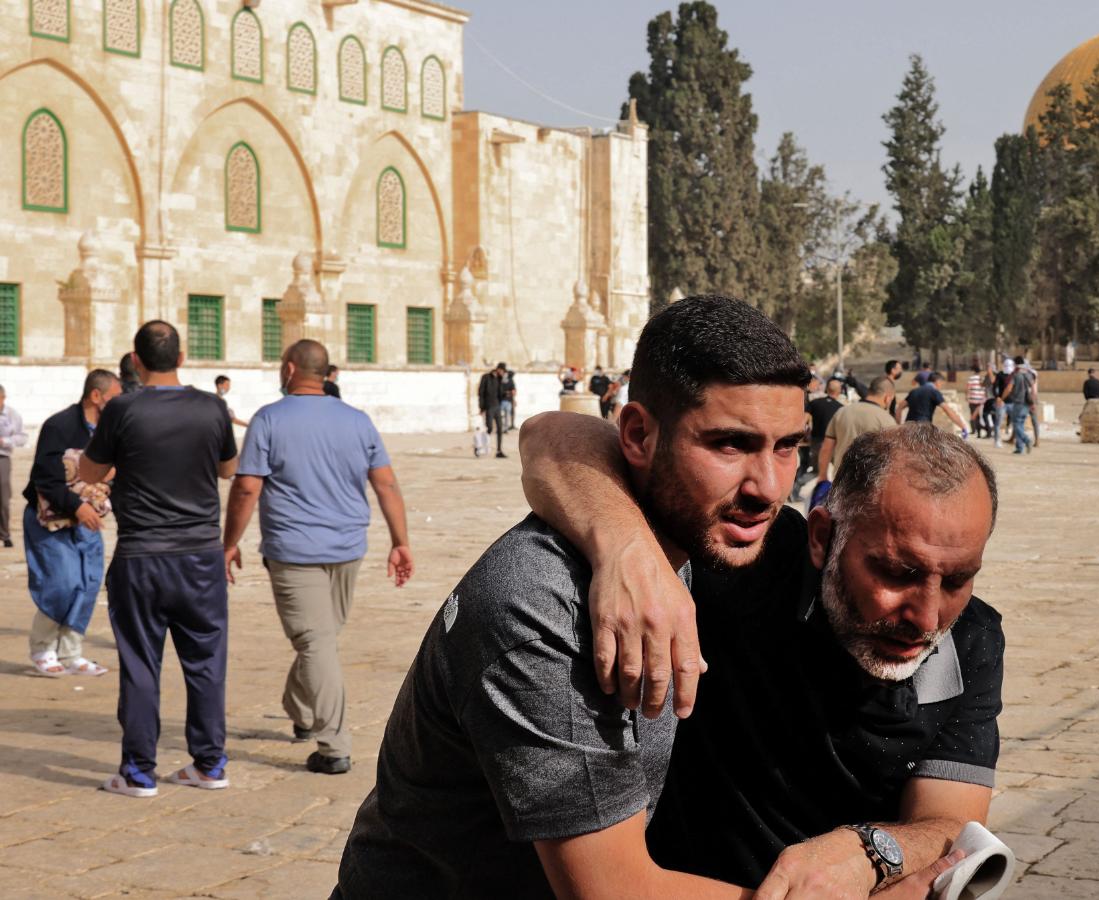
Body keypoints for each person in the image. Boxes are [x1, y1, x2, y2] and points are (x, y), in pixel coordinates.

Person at [337, 296, 963, 898]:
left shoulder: (705, 541)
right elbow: (611, 891)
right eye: (729, 444)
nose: (770, 488)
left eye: (787, 446)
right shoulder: (540, 604)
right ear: (637, 435)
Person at [518, 418, 1002, 895]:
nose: (927, 615)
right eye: (898, 573)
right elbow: (550, 437)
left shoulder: (970, 639)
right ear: (821, 537)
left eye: (958, 580)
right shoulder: (747, 564)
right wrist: (627, 550)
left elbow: (953, 825)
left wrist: (867, 853)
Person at [222, 340, 413, 775]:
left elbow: (247, 487)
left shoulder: (269, 419)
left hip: (294, 549)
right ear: (326, 373)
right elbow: (386, 484)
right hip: (347, 548)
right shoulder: (357, 421)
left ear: (289, 369)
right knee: (318, 639)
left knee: (316, 641)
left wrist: (229, 541)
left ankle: (332, 746)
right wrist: (400, 540)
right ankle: (305, 713)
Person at [79, 321, 238, 798]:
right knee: (207, 662)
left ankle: (139, 772)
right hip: (200, 555)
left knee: (141, 664)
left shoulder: (122, 409)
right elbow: (228, 468)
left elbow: (89, 469)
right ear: (183, 357)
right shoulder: (212, 407)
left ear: (136, 360)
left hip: (143, 554)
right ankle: (209, 764)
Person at [22, 370, 119, 677]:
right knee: (62, 584)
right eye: (114, 398)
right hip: (53, 520)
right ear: (96, 396)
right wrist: (78, 507)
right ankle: (43, 648)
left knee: (89, 584)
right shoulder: (59, 425)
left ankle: (72, 651)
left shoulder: (109, 431)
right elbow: (45, 478)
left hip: (88, 522)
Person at [815, 375, 897, 487]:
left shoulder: (842, 412)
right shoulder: (887, 420)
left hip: (841, 482)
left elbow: (826, 448)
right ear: (887, 397)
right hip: (871, 484)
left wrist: (822, 476)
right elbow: (893, 457)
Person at [794, 377, 844, 502]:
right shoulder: (841, 408)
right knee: (840, 471)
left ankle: (795, 488)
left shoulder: (815, 403)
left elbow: (803, 421)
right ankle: (840, 498)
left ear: (827, 389)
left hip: (816, 443)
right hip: (833, 444)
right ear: (839, 391)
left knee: (817, 470)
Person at [901, 372, 968, 437]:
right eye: (941, 383)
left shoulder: (914, 391)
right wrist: (963, 427)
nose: (941, 386)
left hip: (907, 427)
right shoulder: (934, 392)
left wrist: (899, 425)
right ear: (937, 381)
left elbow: (899, 408)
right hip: (922, 427)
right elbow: (948, 410)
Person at [0, 384, 26, 548]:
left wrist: (5, 441)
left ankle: (4, 533)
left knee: (3, 497)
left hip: (3, 456)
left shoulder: (12, 415)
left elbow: (22, 437)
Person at [1001, 355, 1036, 454]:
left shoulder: (1016, 375)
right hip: (1027, 403)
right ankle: (1019, 448)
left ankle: (1026, 440)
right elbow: (1033, 388)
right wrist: (1033, 402)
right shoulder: (1028, 374)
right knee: (1020, 424)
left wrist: (1002, 398)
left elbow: (1009, 388)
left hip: (1018, 403)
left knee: (1016, 424)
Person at [477, 363, 511, 458]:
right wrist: (481, 407)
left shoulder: (500, 379)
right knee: (489, 428)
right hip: (488, 407)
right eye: (503, 371)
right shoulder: (486, 377)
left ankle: (499, 451)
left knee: (500, 429)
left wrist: (506, 394)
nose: (503, 373)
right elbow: (480, 393)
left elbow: (499, 393)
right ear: (498, 369)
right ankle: (481, 447)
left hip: (497, 407)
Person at [966, 367, 986, 435]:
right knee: (978, 416)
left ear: (973, 371)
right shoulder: (982, 378)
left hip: (972, 399)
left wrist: (967, 397)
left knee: (972, 415)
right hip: (980, 400)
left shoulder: (971, 378)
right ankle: (979, 431)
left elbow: (968, 388)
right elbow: (984, 389)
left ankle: (973, 430)